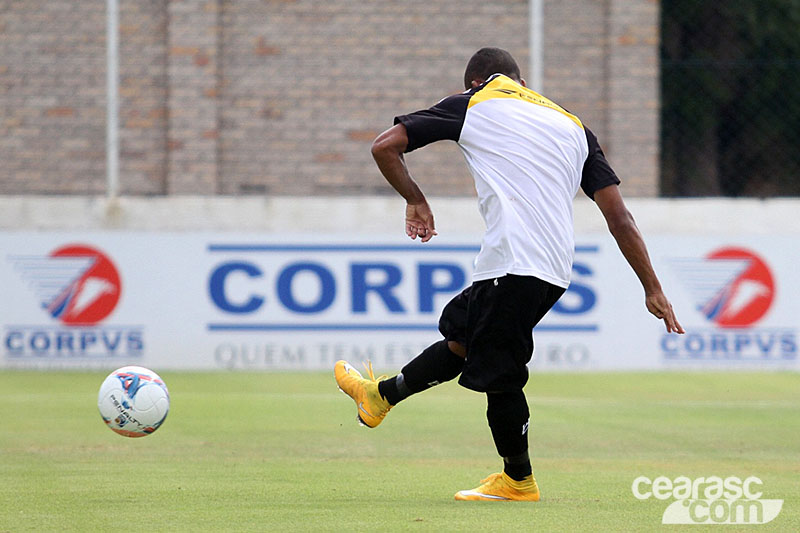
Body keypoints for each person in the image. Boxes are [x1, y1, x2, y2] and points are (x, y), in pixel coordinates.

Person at [334, 47, 684, 502]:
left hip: (515, 263)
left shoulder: (476, 102)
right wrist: (652, 288)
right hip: (551, 268)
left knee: (500, 373)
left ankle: (518, 480)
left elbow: (384, 146)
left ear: (475, 81)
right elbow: (620, 217)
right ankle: (379, 398)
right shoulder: (574, 125)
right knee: (464, 336)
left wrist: (415, 199)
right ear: (520, 80)